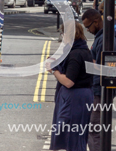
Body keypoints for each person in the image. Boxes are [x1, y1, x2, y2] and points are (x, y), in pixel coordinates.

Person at [48, 21, 93, 151]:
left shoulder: (75, 54)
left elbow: (68, 81)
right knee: (76, 135)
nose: (62, 37)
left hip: (75, 99)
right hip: (82, 96)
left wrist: (53, 70)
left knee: (71, 137)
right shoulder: (83, 50)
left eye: (63, 34)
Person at [81, 9, 116, 151]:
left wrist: (88, 64)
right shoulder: (102, 38)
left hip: (99, 91)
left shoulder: (106, 40)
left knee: (95, 130)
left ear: (96, 22)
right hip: (98, 89)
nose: (87, 30)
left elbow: (108, 69)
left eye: (88, 26)